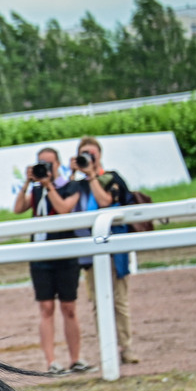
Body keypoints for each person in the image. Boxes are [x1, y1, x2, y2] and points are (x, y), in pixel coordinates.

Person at [13, 145, 87, 374]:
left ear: (58, 165)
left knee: (69, 307)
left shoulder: (71, 186)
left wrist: (48, 185)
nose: (45, 168)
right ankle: (51, 361)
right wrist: (28, 183)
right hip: (40, 254)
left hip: (65, 251)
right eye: (40, 164)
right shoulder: (35, 191)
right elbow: (17, 209)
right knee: (45, 307)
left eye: (49, 164)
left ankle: (76, 359)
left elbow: (64, 210)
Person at [72, 136, 136, 364]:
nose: (88, 158)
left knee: (119, 300)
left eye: (92, 154)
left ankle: (126, 347)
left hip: (114, 249)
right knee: (98, 303)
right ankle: (108, 349)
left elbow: (106, 201)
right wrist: (72, 174)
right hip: (90, 252)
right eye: (84, 155)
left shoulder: (112, 178)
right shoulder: (77, 185)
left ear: (100, 155)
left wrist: (91, 176)